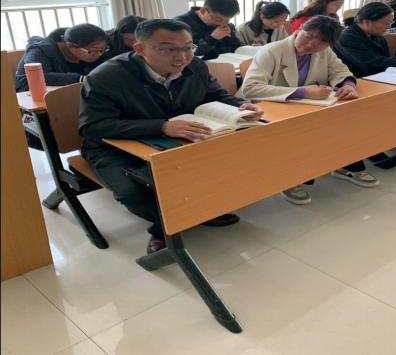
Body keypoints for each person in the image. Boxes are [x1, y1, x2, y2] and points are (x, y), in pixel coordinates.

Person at [79, 19, 264, 254]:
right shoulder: (107, 77)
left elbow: (215, 95)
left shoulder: (195, 66)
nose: (181, 57)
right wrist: (162, 127)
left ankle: (199, 211)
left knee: (226, 164)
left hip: (179, 138)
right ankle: (163, 229)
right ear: (139, 49)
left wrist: (241, 106)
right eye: (168, 49)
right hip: (115, 147)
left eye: (188, 47)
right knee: (135, 191)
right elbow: (94, 126)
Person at [239, 15, 379, 205]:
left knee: (347, 119)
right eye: (308, 36)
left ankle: (344, 165)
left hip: (306, 107)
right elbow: (251, 88)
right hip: (270, 108)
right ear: (299, 29)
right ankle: (290, 180)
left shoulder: (325, 51)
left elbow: (340, 70)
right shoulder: (272, 51)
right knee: (301, 131)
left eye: (321, 42)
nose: (312, 45)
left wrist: (348, 84)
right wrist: (303, 92)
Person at [15, 24, 108, 92]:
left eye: (102, 50)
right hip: (32, 97)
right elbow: (39, 77)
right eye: (93, 51)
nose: (98, 54)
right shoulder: (40, 50)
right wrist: (81, 79)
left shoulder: (89, 51)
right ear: (70, 45)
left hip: (73, 93)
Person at [174, 0, 241, 59]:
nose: (222, 23)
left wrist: (229, 37)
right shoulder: (180, 25)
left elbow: (235, 47)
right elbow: (188, 52)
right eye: (218, 19)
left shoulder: (225, 24)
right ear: (203, 11)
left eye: (227, 20)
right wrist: (212, 38)